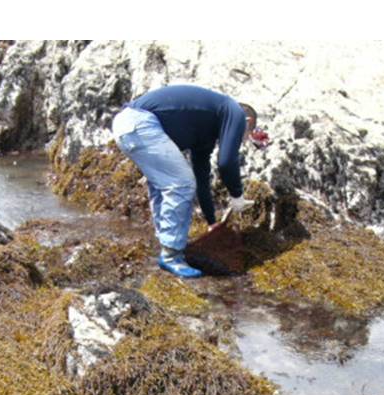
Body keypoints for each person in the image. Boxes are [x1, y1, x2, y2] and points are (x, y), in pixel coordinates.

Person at [111, 84, 270, 278]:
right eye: (244, 135)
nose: (241, 140)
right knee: (181, 184)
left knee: (164, 184)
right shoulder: (234, 111)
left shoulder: (205, 131)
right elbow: (227, 161)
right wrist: (237, 195)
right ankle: (171, 256)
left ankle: (165, 242)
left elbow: (202, 178)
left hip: (126, 125)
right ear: (248, 121)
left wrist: (211, 222)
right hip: (140, 123)